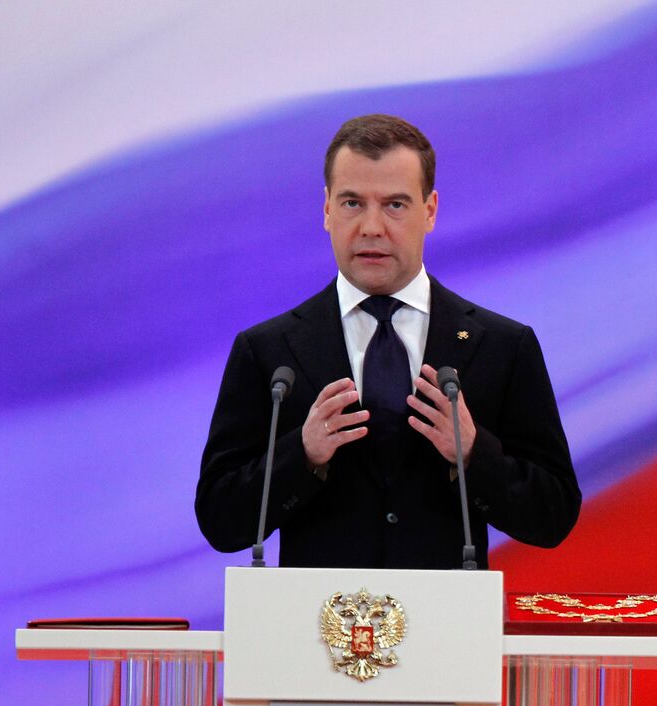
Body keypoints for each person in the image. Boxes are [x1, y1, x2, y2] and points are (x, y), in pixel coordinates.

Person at [196, 114, 580, 568]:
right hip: (318, 631)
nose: (371, 227)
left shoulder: (501, 345)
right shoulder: (269, 352)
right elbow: (221, 520)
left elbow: (553, 515)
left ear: (430, 210)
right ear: (326, 209)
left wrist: (475, 454)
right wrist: (301, 454)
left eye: (395, 205)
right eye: (352, 203)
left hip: (448, 630)